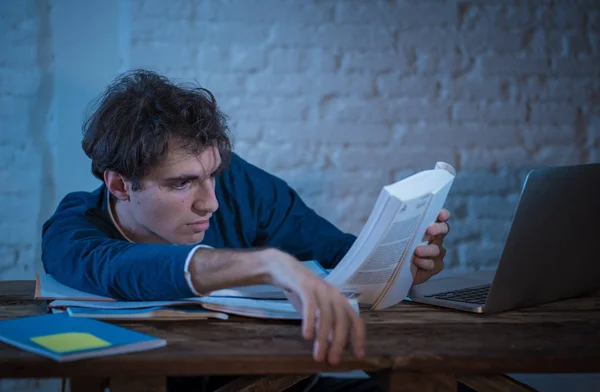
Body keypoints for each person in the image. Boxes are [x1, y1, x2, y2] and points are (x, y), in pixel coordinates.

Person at [41, 69, 451, 392]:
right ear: (119, 185)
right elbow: (124, 268)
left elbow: (336, 250)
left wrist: (404, 261)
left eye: (212, 174)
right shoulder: (74, 228)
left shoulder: (242, 184)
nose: (210, 202)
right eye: (180, 183)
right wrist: (267, 263)